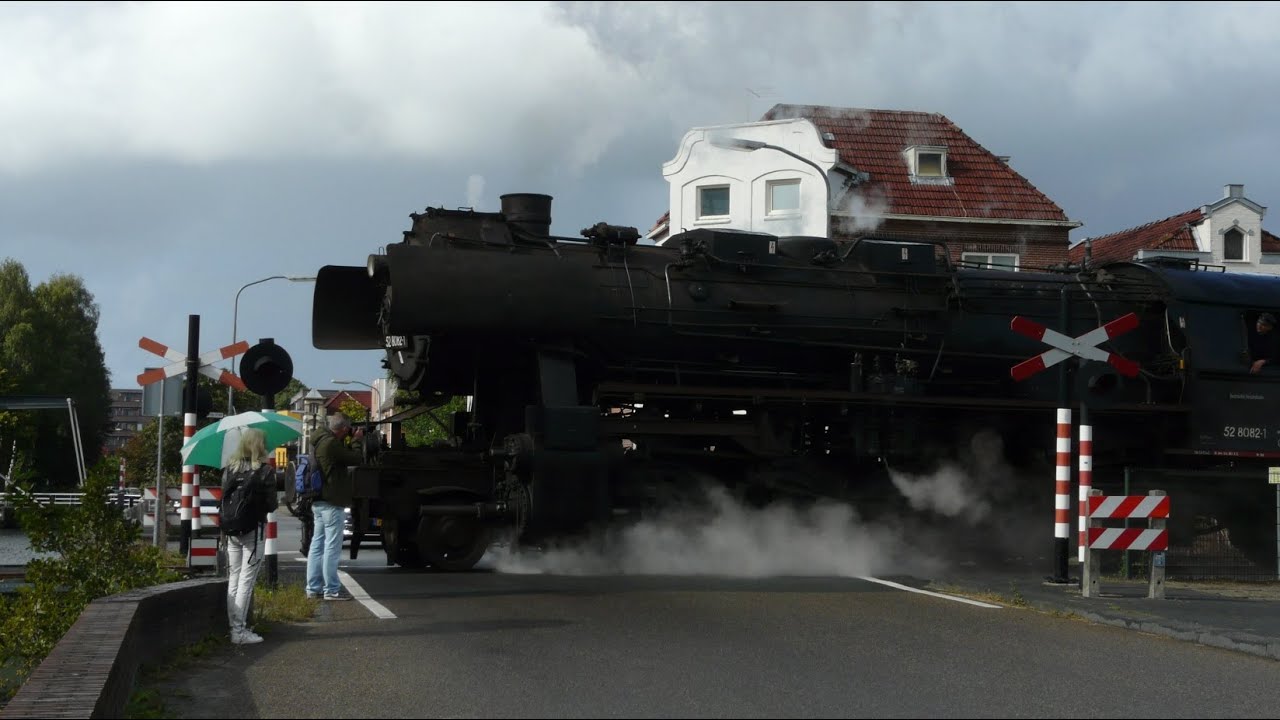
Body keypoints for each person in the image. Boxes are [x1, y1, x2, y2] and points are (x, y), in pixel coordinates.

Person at [222, 427, 278, 644]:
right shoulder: (265, 471)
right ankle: (239, 632)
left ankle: (233, 628)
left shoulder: (230, 468)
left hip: (231, 530)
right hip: (253, 530)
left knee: (234, 578)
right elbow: (272, 505)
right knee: (246, 581)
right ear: (259, 446)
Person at [305, 412, 364, 601]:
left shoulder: (319, 440)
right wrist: (356, 441)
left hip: (318, 500)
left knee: (317, 546)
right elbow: (356, 458)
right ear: (344, 429)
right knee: (332, 547)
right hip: (332, 501)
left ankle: (313, 588)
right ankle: (331, 589)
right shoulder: (331, 444)